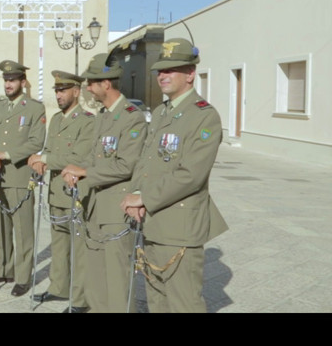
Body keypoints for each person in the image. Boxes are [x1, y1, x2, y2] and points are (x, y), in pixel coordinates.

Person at [119, 38, 228, 313]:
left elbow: (191, 174)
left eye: (171, 70)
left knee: (183, 302)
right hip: (153, 221)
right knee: (157, 299)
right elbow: (145, 162)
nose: (162, 76)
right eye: (159, 71)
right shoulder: (160, 112)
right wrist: (134, 196)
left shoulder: (204, 116)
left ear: (190, 74)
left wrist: (143, 197)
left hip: (179, 225)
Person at [60, 53, 147, 313]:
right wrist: (74, 172)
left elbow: (126, 164)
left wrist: (85, 172)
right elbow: (93, 154)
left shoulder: (132, 117)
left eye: (92, 82)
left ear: (106, 84)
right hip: (94, 206)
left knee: (118, 280)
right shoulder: (103, 115)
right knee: (95, 278)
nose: (87, 87)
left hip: (115, 209)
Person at [27, 71, 95, 308]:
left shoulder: (87, 121)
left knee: (79, 250)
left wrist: (43, 158)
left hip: (74, 193)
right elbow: (50, 149)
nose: (59, 95)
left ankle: (80, 299)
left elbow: (78, 157)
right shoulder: (56, 119)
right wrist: (38, 165)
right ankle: (59, 287)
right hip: (56, 192)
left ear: (76, 92)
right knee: (59, 244)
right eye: (56, 91)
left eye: (63, 90)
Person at [0, 60, 46, 297]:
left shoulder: (34, 108)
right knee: (1, 228)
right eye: (5, 80)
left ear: (22, 81)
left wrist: (5, 154)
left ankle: (22, 276)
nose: (8, 84)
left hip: (20, 176)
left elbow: (36, 142)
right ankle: (3, 269)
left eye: (12, 80)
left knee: (22, 230)